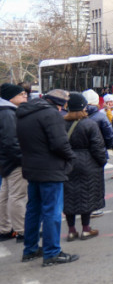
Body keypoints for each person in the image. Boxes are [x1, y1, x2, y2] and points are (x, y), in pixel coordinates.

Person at [16, 89, 80, 266]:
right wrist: (71, 157)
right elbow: (59, 143)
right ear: (60, 104)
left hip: (31, 167)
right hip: (50, 169)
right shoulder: (51, 114)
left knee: (33, 210)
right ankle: (52, 252)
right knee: (52, 211)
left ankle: (30, 249)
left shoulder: (24, 113)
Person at [62, 93, 108, 242]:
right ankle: (86, 229)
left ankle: (71, 230)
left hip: (67, 163)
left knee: (69, 197)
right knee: (86, 196)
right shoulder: (89, 124)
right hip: (88, 163)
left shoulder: (61, 123)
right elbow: (98, 147)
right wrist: (101, 162)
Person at [0, 84, 27, 242]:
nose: (25, 96)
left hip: (5, 160)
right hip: (13, 161)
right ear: (11, 97)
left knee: (5, 195)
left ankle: (5, 228)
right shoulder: (8, 113)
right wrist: (22, 159)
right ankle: (22, 230)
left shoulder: (4, 112)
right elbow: (11, 142)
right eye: (22, 94)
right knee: (17, 196)